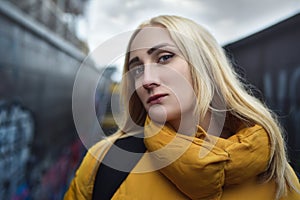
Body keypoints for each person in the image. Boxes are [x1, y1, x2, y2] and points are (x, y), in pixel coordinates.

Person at [64, 15, 300, 200]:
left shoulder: (278, 177)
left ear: (205, 65)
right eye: (137, 69)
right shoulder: (105, 163)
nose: (146, 80)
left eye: (164, 58)